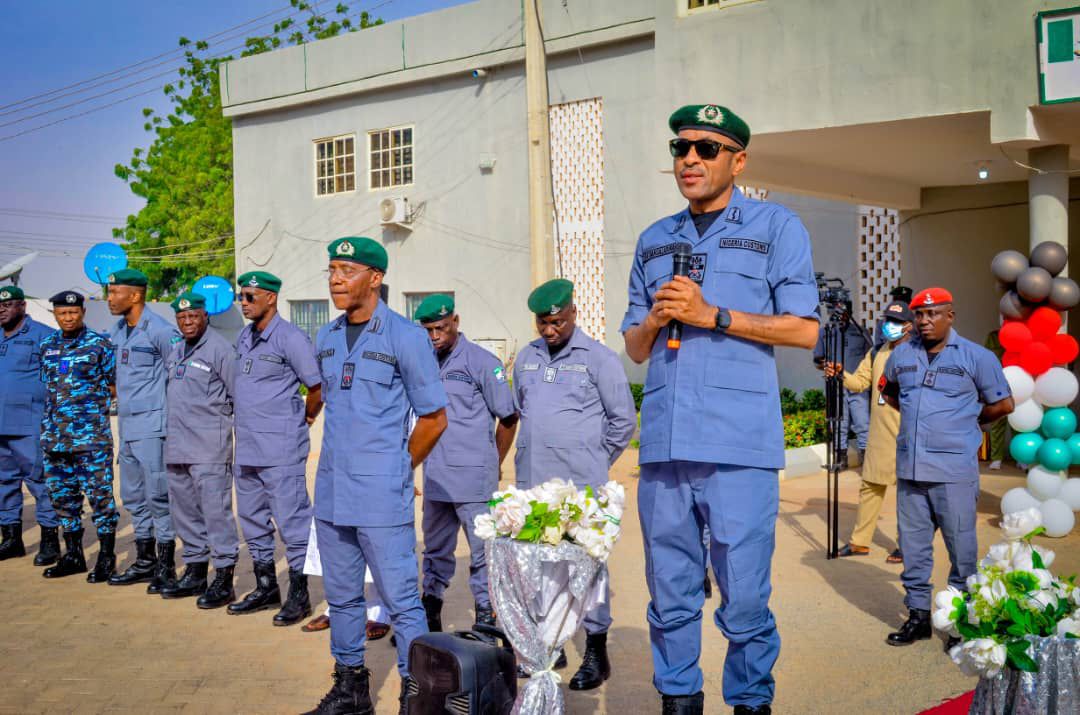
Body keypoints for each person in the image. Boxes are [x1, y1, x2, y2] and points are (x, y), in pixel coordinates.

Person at [621, 104, 820, 715]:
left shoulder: (775, 226)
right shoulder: (655, 240)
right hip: (664, 446)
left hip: (737, 444)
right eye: (681, 147)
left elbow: (805, 331)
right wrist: (658, 316)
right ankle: (679, 699)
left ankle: (750, 701)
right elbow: (633, 346)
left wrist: (715, 316)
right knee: (670, 592)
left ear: (738, 160)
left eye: (707, 149)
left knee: (744, 598)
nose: (690, 159)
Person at [303, 237, 448, 715]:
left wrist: (398, 468)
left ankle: (416, 698)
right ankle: (351, 691)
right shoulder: (324, 337)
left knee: (403, 602)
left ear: (376, 278)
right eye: (331, 270)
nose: (336, 279)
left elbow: (434, 418)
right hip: (331, 493)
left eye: (347, 269)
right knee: (342, 600)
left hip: (382, 495)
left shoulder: (406, 337)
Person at [513, 278, 636, 691]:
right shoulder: (526, 358)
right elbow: (522, 408)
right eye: (543, 323)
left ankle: (596, 652)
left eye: (558, 322)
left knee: (587, 571)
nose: (550, 330)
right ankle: (551, 644)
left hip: (580, 489)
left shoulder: (599, 359)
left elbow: (624, 422)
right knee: (543, 570)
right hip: (535, 487)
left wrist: (593, 462)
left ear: (573, 314)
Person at [881, 287, 1013, 650]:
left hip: (953, 471)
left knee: (962, 550)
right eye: (919, 315)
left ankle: (960, 622)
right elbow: (890, 393)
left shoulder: (976, 356)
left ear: (950, 316)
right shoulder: (901, 355)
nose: (924, 321)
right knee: (914, 549)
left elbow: (1003, 404)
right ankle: (919, 617)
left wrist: (967, 420)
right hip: (910, 471)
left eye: (933, 313)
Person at [414, 293, 518, 632]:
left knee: (483, 553)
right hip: (436, 480)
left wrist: (495, 462)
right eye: (428, 330)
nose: (435, 337)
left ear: (455, 322)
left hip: (474, 480)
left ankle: (487, 618)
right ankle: (430, 613)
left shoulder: (483, 362)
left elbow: (508, 417)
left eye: (441, 328)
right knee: (435, 551)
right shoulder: (423, 361)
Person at [227, 271, 322, 627]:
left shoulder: (291, 338)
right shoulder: (244, 337)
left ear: (271, 297)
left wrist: (305, 420)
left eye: (250, 296)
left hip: (280, 448)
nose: (244, 303)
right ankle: (266, 587)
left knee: (293, 523)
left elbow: (316, 387)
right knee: (251, 520)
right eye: (242, 296)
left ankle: (300, 596)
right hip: (248, 446)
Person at [159, 292, 241, 609]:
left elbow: (238, 397)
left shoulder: (220, 350)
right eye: (181, 318)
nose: (187, 322)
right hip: (177, 447)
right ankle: (195, 572)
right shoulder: (177, 348)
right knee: (185, 513)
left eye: (193, 316)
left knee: (216, 514)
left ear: (205, 316)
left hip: (209, 449)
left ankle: (223, 578)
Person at [104, 268, 182, 592]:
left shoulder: (160, 330)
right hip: (127, 426)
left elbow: (179, 373)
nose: (109, 299)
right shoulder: (117, 331)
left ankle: (166, 566)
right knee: (133, 497)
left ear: (135, 295)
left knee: (159, 496)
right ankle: (145, 560)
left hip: (153, 426)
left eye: (114, 293)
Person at [38, 291, 120, 581]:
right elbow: (47, 388)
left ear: (83, 311)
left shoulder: (99, 344)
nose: (68, 318)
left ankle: (106, 558)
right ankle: (73, 555)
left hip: (91, 440)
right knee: (62, 498)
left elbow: (114, 385)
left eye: (73, 312)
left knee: (100, 499)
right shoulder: (47, 345)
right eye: (62, 313)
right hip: (55, 439)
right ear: (55, 314)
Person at [824, 300, 914, 562]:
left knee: (906, 494)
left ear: (909, 326)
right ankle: (860, 542)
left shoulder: (918, 352)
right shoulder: (876, 352)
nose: (890, 326)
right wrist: (840, 375)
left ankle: (906, 545)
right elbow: (860, 383)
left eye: (896, 322)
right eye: (888, 321)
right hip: (879, 435)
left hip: (907, 434)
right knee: (870, 488)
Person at [0, 286, 59, 564]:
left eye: (8, 304)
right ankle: (11, 539)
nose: (2, 309)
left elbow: (59, 377)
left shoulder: (43, 335)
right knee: (4, 484)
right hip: (0, 426)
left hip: (29, 425)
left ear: (22, 306)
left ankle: (50, 541)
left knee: (39, 482)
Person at [813, 301, 872, 469]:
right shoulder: (825, 332)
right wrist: (827, 366)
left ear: (849, 312)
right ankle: (840, 459)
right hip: (835, 386)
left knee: (863, 423)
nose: (838, 314)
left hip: (858, 385)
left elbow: (872, 357)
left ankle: (866, 461)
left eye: (842, 310)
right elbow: (818, 360)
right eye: (834, 310)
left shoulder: (861, 332)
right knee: (839, 423)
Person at [982, 327, 1007, 470]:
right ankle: (996, 458)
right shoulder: (994, 336)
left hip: (1020, 382)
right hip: (997, 383)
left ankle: (1021, 458)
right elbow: (986, 358)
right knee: (997, 422)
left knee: (1019, 423)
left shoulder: (1023, 333)